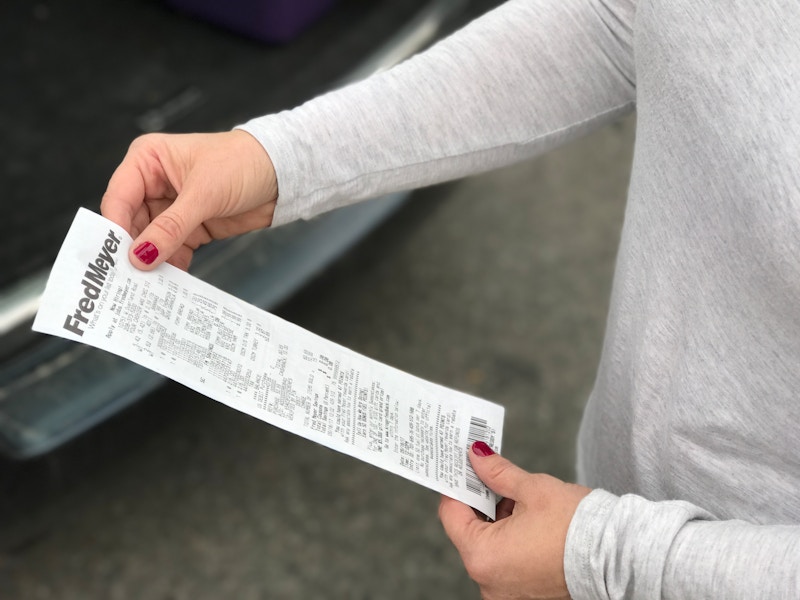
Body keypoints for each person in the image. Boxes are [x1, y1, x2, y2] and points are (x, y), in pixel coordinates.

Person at [100, 0, 800, 598]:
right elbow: (621, 20)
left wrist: (613, 560)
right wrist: (278, 158)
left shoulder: (613, 558)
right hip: (611, 508)